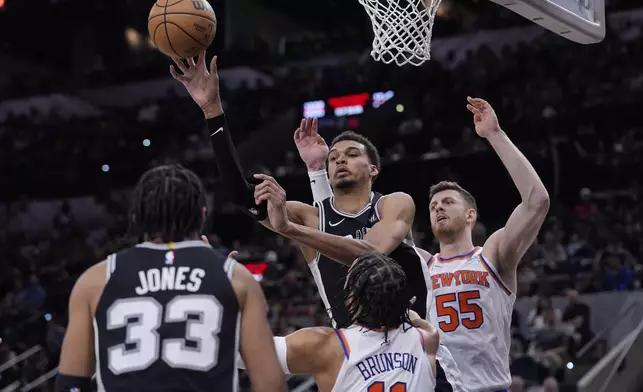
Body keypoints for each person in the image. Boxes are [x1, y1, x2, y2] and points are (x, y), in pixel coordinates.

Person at [173, 51, 460, 392]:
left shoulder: (394, 204)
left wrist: (290, 230)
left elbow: (371, 253)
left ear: (373, 169)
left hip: (417, 345)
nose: (340, 160)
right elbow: (241, 196)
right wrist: (212, 111)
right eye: (335, 157)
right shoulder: (312, 217)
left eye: (352, 154)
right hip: (353, 349)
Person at [301, 97, 550, 391]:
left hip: (487, 387)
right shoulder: (418, 264)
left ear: (471, 214)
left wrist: (495, 135)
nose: (438, 208)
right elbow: (340, 232)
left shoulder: (493, 255)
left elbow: (537, 201)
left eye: (447, 202)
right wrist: (317, 172)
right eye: (433, 205)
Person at [55, 164, 285, 392]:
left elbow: (70, 385)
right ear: (202, 217)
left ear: (136, 217)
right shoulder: (235, 277)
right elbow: (270, 383)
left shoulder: (95, 280)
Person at [238, 253, 439, 392]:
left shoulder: (325, 346)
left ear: (352, 299)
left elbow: (242, 353)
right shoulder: (427, 338)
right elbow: (415, 319)